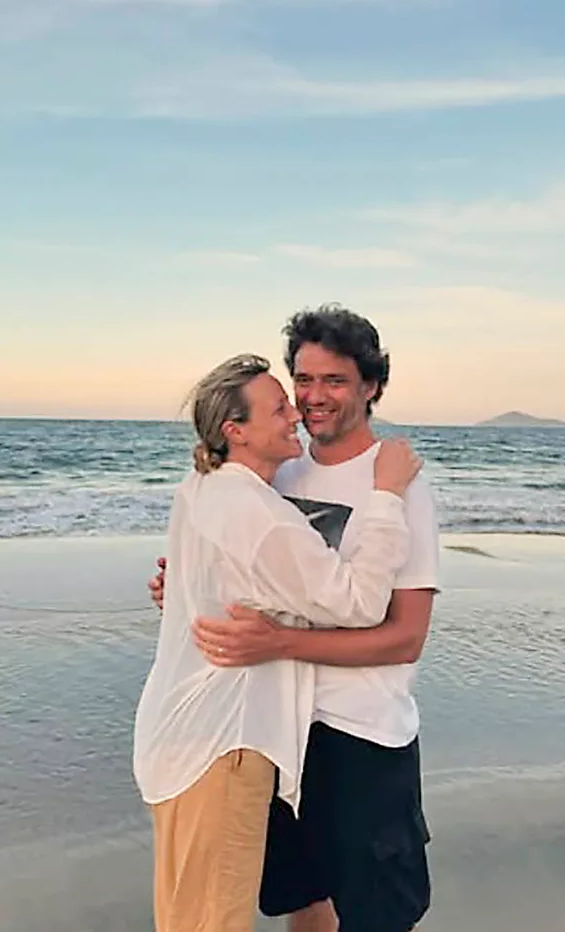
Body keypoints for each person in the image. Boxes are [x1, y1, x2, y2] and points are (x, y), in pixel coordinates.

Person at [149, 306, 439, 932]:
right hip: (277, 728)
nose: (312, 398)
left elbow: (406, 637)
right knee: (301, 901)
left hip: (361, 732)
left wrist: (281, 641)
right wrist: (193, 590)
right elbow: (256, 564)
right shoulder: (281, 472)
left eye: (334, 381)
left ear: (371, 386)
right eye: (302, 381)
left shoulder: (399, 485)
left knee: (377, 916)